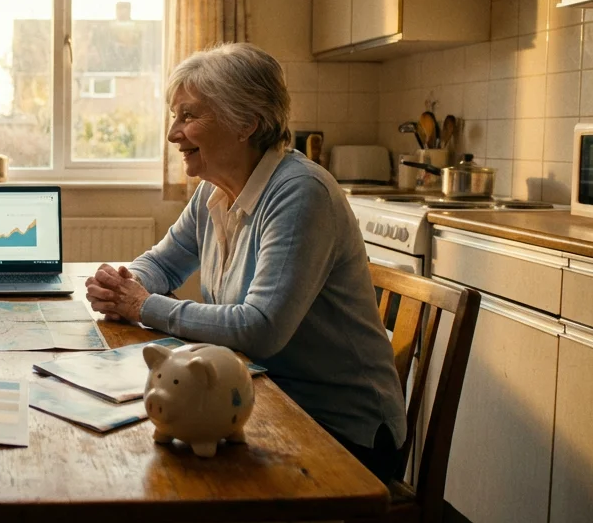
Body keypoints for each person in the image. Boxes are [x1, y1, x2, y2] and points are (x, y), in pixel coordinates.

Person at [85, 42, 406, 481]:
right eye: (174, 117)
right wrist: (124, 282)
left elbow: (259, 329)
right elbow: (163, 263)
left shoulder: (300, 193)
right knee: (143, 441)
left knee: (162, 466)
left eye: (189, 116)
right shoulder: (214, 190)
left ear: (246, 124)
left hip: (338, 428)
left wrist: (141, 305)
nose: (173, 134)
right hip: (259, 394)